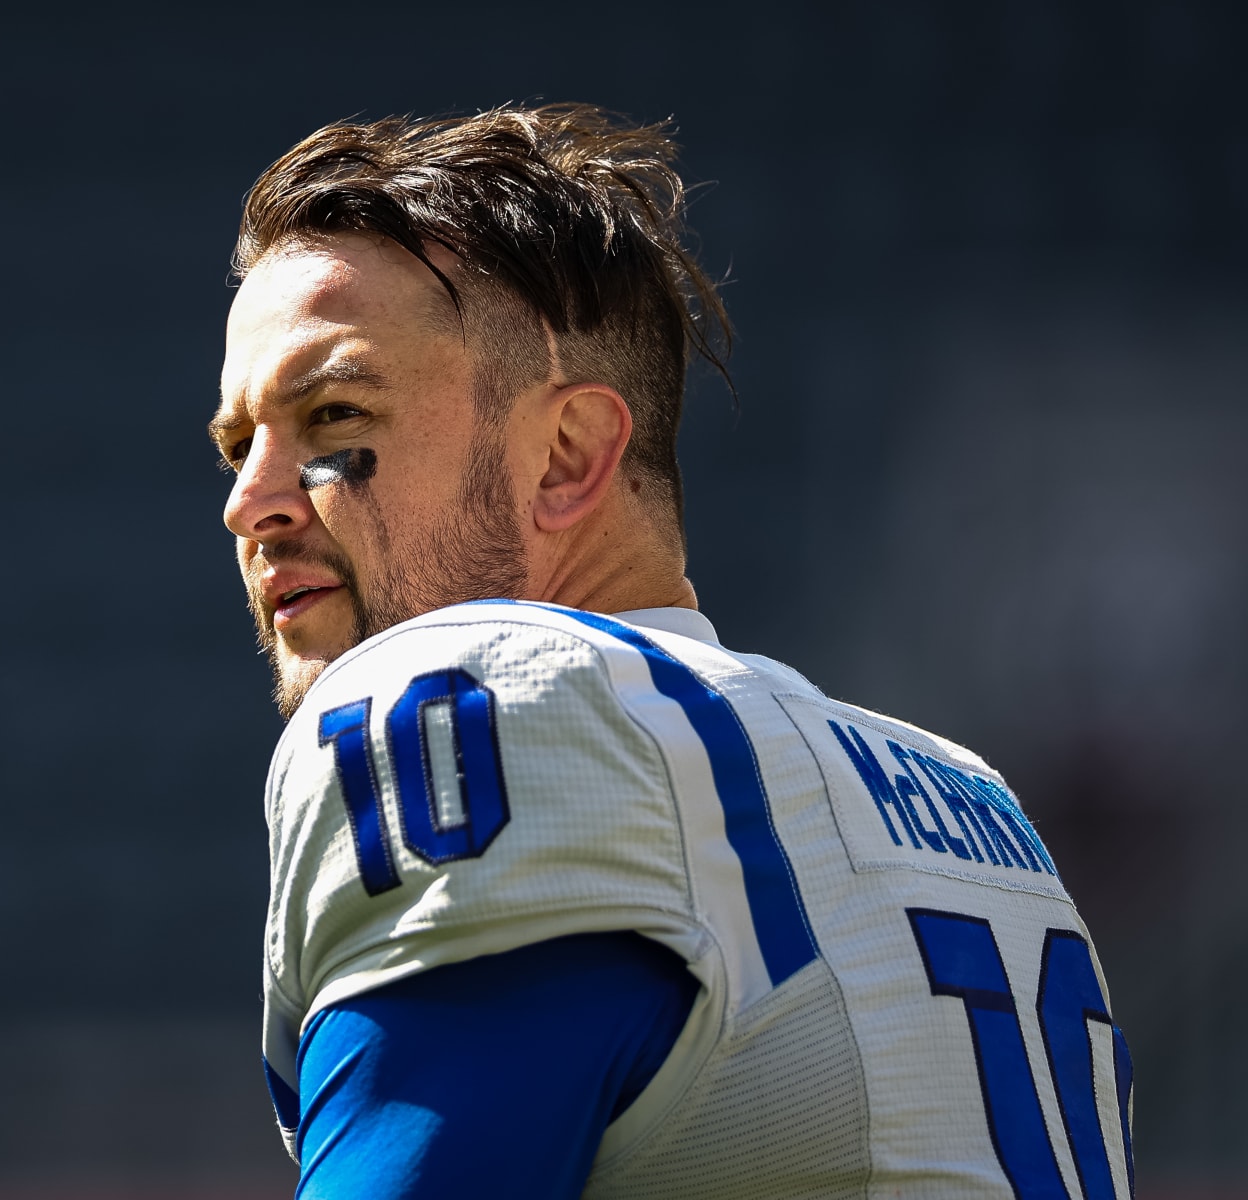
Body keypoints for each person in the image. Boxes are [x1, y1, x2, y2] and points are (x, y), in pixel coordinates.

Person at [210, 103, 1134, 1199]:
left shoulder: (474, 698)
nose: (248, 503)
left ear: (564, 456)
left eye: (333, 416)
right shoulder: (972, 800)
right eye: (237, 444)